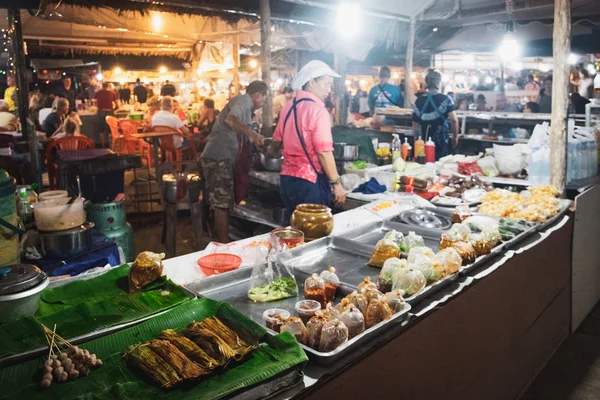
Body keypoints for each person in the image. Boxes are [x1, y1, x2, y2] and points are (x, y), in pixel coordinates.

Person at [267, 60, 346, 220]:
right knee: (314, 233)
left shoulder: (288, 106)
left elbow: (276, 141)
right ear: (311, 82)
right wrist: (337, 184)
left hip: (287, 181)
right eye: (326, 84)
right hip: (309, 183)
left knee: (296, 230)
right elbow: (324, 152)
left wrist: (269, 152)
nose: (329, 90)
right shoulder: (319, 111)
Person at [200, 81, 267, 243]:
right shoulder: (243, 101)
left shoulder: (247, 110)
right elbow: (231, 120)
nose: (264, 102)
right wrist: (250, 132)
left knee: (221, 203)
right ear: (257, 94)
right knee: (221, 204)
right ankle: (224, 248)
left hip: (221, 157)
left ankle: (217, 240)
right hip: (218, 159)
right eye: (264, 98)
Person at [412, 69, 459, 160]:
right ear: (439, 82)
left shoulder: (418, 100)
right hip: (440, 141)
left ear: (426, 82)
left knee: (421, 165)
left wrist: (416, 139)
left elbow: (414, 124)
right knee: (439, 165)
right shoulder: (446, 99)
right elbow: (454, 120)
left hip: (422, 142)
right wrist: (455, 137)